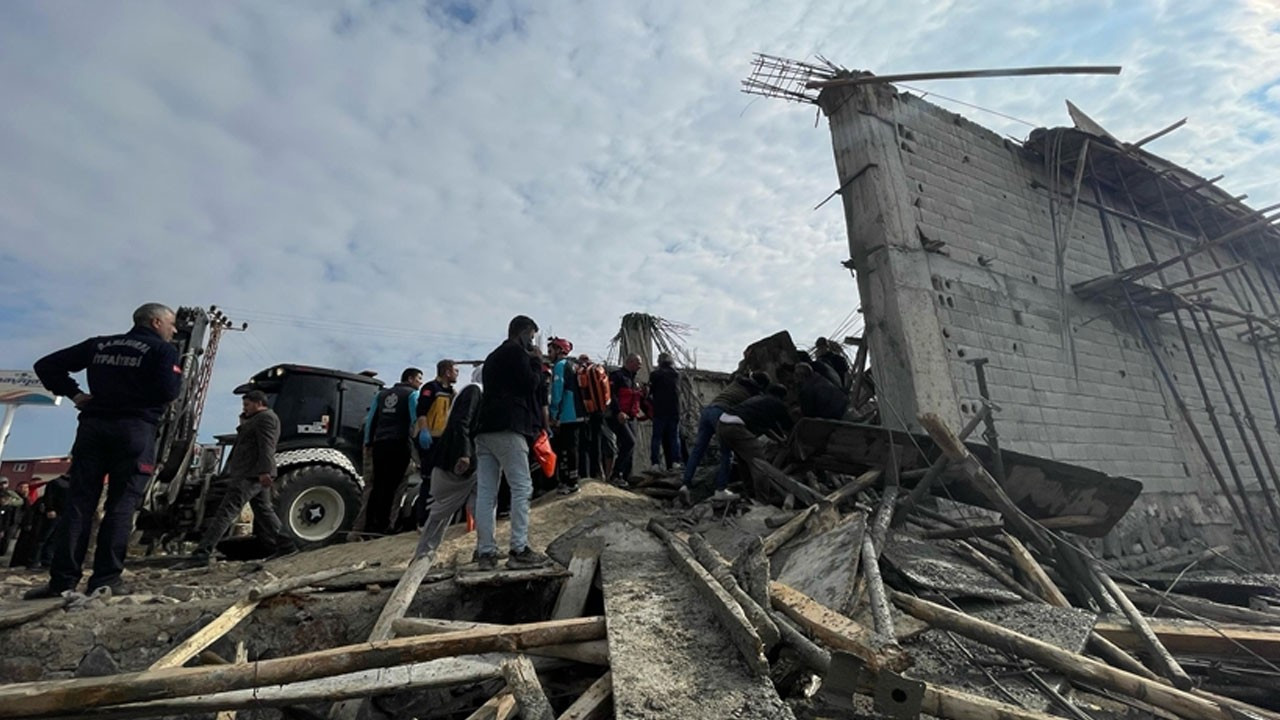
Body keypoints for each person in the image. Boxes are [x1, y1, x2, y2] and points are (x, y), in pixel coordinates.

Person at [25, 303, 182, 599]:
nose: (174, 330)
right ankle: (105, 580)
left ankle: (62, 582)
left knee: (78, 504)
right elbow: (169, 392)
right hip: (134, 430)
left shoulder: (99, 345)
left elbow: (46, 365)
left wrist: (75, 394)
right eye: (171, 324)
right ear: (155, 322)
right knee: (121, 505)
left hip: (93, 428)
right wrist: (139, 401)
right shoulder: (163, 351)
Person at [178, 390, 296, 568]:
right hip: (253, 473)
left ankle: (202, 554)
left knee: (226, 511)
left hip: (251, 474)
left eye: (247, 405)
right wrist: (244, 422)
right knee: (264, 511)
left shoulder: (266, 419)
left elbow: (267, 446)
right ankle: (286, 545)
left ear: (258, 403)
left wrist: (265, 471)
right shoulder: (257, 419)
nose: (244, 408)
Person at [472, 316, 554, 570]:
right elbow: (530, 384)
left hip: (484, 429)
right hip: (509, 426)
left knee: (486, 492)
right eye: (531, 336)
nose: (532, 341)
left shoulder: (492, 357)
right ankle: (519, 549)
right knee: (521, 487)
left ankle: (485, 552)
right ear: (524, 332)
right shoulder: (516, 352)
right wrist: (537, 362)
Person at [414, 383, 482, 561]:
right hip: (455, 460)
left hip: (470, 461)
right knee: (441, 510)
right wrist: (465, 453)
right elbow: (462, 423)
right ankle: (423, 554)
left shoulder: (474, 393)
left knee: (481, 504)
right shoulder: (475, 391)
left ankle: (485, 548)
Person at [679, 372, 764, 502]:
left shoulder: (737, 382)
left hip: (708, 410)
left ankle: (685, 485)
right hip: (721, 413)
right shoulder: (754, 393)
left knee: (698, 450)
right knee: (727, 453)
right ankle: (721, 489)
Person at [363, 367, 423, 535]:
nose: (420, 382)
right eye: (419, 378)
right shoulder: (412, 394)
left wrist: (368, 441)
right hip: (399, 443)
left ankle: (370, 525)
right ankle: (385, 526)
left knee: (378, 484)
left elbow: (371, 420)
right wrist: (419, 445)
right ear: (410, 379)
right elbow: (415, 420)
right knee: (393, 486)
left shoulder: (381, 394)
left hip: (380, 443)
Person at [714, 384, 795, 501]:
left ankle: (750, 494)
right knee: (759, 462)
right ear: (781, 397)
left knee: (744, 461)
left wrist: (779, 440)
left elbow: (766, 428)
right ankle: (762, 500)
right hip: (735, 427)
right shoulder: (776, 403)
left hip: (722, 424)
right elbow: (788, 425)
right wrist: (790, 436)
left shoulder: (758, 400)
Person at [411, 360, 460, 526]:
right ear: (447, 372)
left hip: (443, 440)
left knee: (443, 479)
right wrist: (424, 430)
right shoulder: (430, 388)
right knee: (428, 480)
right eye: (455, 371)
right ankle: (423, 520)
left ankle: (439, 518)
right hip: (429, 439)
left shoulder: (452, 392)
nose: (457, 374)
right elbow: (421, 411)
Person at [548, 338, 583, 495]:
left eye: (551, 351)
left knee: (566, 449)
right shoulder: (573, 365)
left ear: (559, 350)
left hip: (567, 414)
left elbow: (557, 392)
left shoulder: (560, 366)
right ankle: (571, 480)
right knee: (572, 447)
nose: (549, 354)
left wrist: (553, 413)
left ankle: (570, 482)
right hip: (578, 413)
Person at [608, 354, 644, 486]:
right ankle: (616, 475)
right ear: (630, 362)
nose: (640, 366)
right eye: (638, 363)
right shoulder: (617, 376)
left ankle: (626, 476)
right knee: (629, 442)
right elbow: (611, 395)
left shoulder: (634, 380)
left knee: (630, 446)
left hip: (631, 417)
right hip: (618, 416)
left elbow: (638, 399)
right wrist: (618, 411)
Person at [574, 354, 611, 480]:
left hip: (586, 412)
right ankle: (597, 471)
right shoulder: (597, 370)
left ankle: (585, 473)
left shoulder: (581, 372)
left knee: (584, 444)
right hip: (600, 411)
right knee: (597, 442)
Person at [648, 353, 682, 471]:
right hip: (674, 410)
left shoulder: (655, 375)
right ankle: (676, 462)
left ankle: (655, 463)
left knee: (656, 437)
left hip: (659, 410)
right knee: (674, 437)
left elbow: (650, 392)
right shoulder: (676, 374)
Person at [0, 477, 25, 557]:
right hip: (4, 518)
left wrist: (9, 502)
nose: (2, 485)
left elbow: (20, 501)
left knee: (6, 540)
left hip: (9, 519)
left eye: (4, 483)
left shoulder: (10, 493)